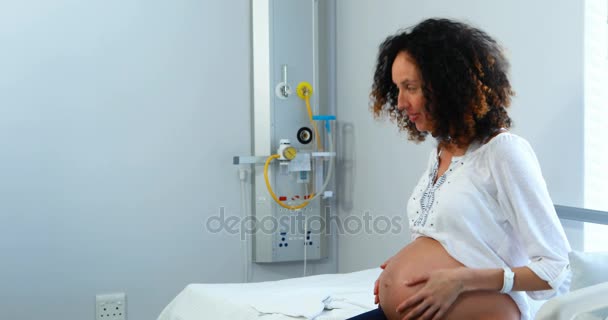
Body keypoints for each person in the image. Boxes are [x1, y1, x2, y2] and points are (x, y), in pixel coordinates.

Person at [347, 18, 571, 320]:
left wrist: (461, 280)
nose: (400, 103)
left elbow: (555, 270)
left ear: (447, 86)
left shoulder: (503, 153)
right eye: (397, 89)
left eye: (410, 87)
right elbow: (457, 241)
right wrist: (402, 270)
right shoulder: (441, 151)